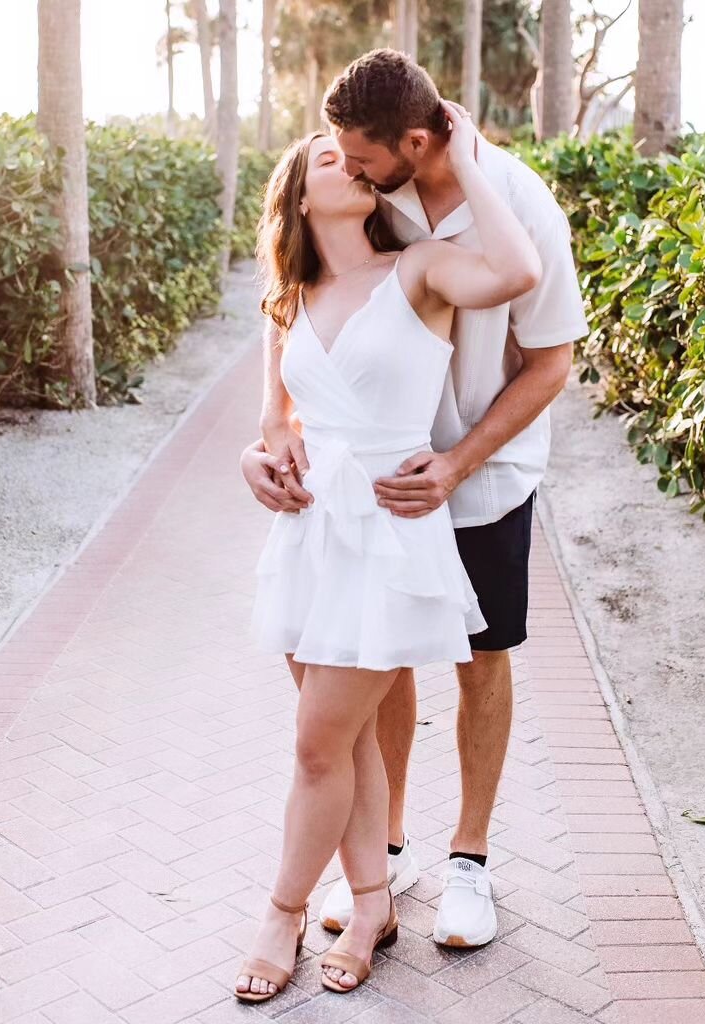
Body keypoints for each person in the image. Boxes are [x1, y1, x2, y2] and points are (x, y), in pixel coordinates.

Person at [240, 49, 590, 950]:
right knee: (378, 665)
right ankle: (382, 852)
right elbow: (293, 355)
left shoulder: (518, 205)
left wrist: (458, 463)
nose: (343, 164)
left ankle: (469, 860)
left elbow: (552, 360)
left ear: (417, 140)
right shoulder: (366, 197)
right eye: (337, 159)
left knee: (481, 658)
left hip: (484, 464)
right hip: (362, 496)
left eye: (358, 155)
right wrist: (264, 445)